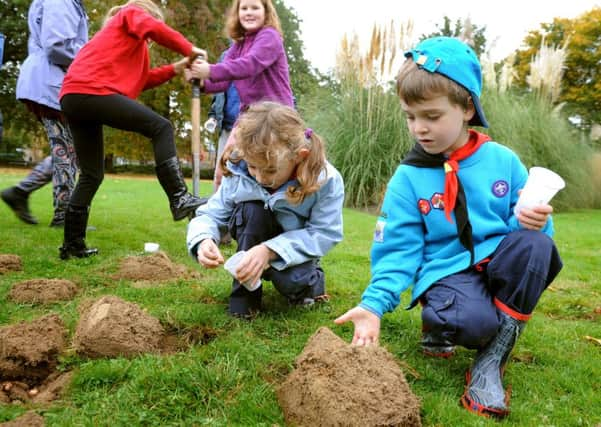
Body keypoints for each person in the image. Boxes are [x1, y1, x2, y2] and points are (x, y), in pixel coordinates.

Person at [334, 37, 563, 419]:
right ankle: (442, 324)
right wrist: (374, 305)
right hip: (447, 273)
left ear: (467, 107)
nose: (419, 128)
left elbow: (539, 228)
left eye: (432, 116)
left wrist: (536, 221)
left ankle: (490, 363)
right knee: (468, 322)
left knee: (536, 247)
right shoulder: (408, 178)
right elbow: (398, 249)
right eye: (410, 116)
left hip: (498, 262)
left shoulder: (503, 161)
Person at [58, 0, 207, 260]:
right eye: (153, 22)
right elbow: (151, 27)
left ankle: (72, 245)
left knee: (91, 174)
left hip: (73, 97)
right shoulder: (130, 13)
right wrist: (191, 50)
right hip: (90, 91)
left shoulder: (129, 50)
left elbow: (141, 80)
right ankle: (179, 198)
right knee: (161, 127)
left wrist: (177, 67)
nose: (152, 32)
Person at [187, 101, 344, 319]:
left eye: (270, 170)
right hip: (252, 234)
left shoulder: (326, 179)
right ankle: (244, 301)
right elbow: (210, 214)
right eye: (252, 167)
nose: (260, 178)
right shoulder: (239, 171)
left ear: (299, 156)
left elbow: (325, 233)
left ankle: (309, 285)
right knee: (252, 210)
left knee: (293, 281)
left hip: (292, 248)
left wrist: (270, 251)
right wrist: (203, 240)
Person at [186, 0, 294, 189]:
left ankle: (268, 213)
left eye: (255, 8)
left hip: (275, 118)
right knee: (223, 171)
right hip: (249, 118)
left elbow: (250, 65)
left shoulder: (270, 37)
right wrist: (200, 81)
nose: (249, 13)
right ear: (237, 14)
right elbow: (223, 82)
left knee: (268, 173)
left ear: (266, 12)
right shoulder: (239, 45)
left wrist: (210, 70)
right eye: (244, 8)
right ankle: (218, 217)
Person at [1, 0, 88, 227]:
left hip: (49, 80)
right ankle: (65, 216)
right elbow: (58, 45)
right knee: (67, 150)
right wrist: (91, 59)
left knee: (72, 150)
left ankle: (20, 192)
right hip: (52, 82)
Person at [204, 48, 241, 193]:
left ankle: (242, 213)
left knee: (246, 176)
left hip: (252, 128)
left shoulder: (259, 53)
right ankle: (216, 214)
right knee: (220, 176)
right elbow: (219, 90)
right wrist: (213, 115)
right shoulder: (226, 55)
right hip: (227, 127)